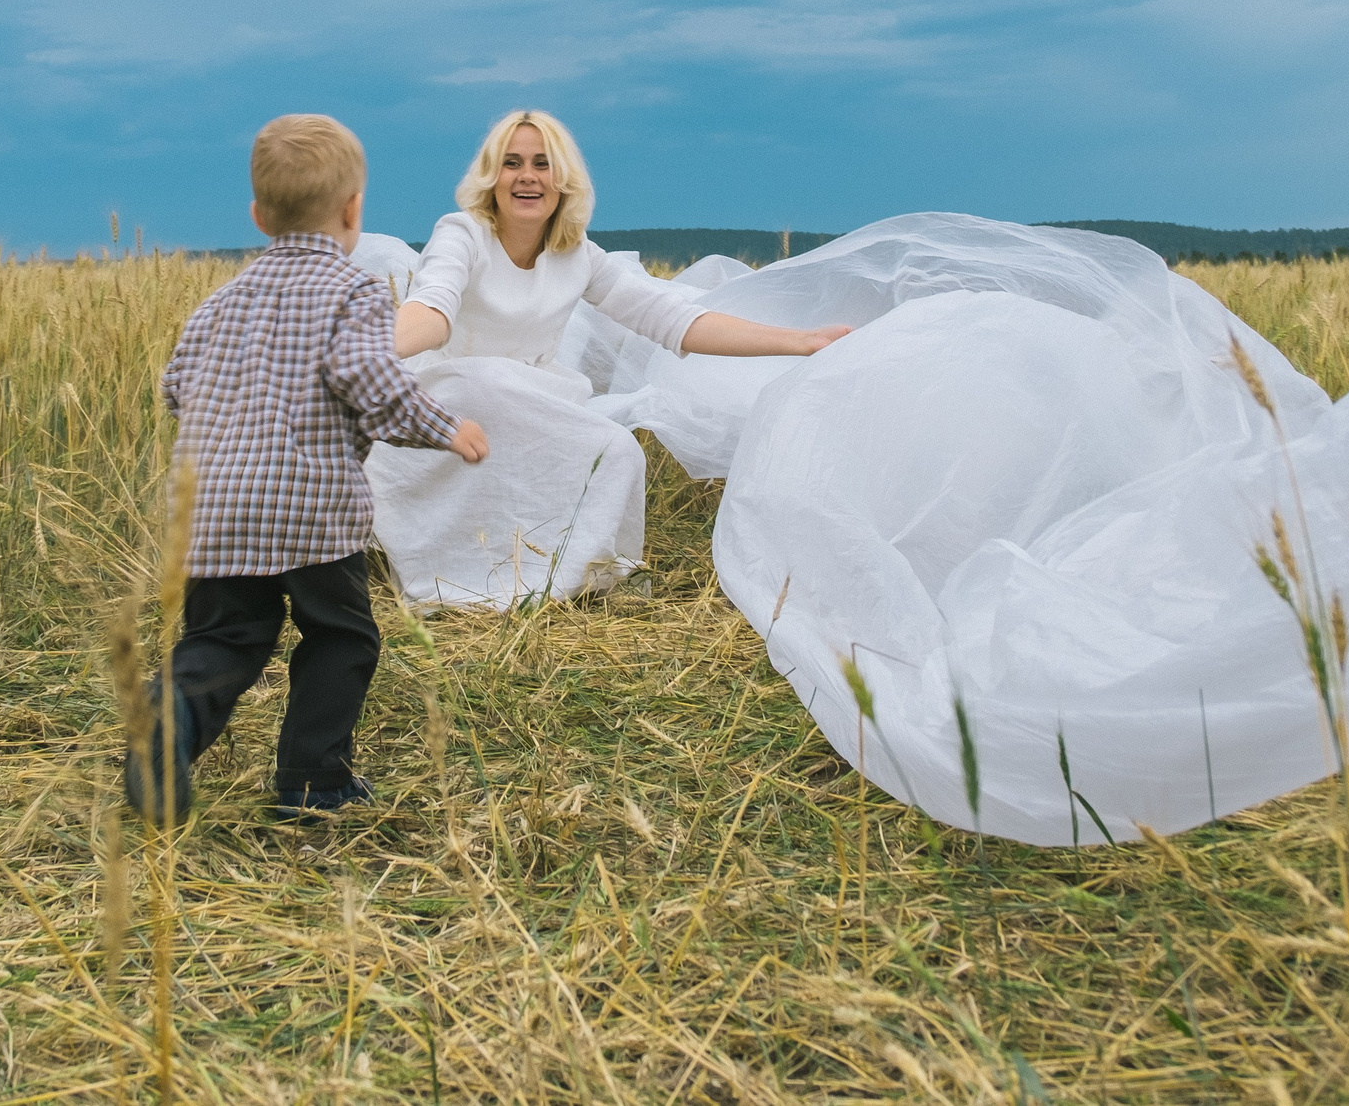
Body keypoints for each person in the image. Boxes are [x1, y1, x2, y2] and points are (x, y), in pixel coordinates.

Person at [132, 113, 488, 823]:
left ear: (259, 216)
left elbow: (175, 388)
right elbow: (372, 382)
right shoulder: (354, 292)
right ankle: (312, 780)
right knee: (341, 637)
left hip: (212, 510)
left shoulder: (218, 301)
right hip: (311, 510)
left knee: (223, 638)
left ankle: (167, 721)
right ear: (353, 210)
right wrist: (447, 427)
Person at [367, 108, 845, 606]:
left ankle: (567, 580)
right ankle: (453, 575)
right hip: (452, 400)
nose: (527, 176)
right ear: (491, 176)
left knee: (617, 449)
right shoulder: (462, 233)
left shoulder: (578, 256)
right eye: (512, 163)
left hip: (534, 399)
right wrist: (359, 355)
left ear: (564, 180)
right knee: (486, 380)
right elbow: (432, 310)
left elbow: (676, 320)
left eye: (542, 163)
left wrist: (802, 341)